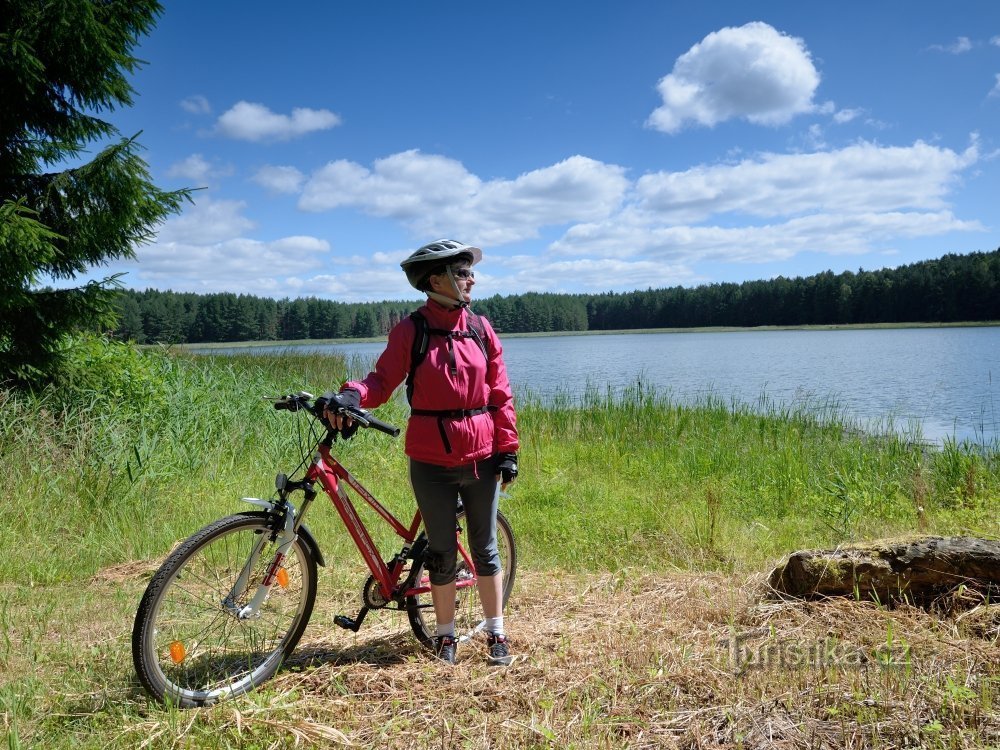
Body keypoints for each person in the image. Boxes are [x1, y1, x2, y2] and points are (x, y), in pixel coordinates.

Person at [324, 239, 519, 666]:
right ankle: (446, 636)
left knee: (484, 548)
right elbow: (380, 380)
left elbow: (500, 394)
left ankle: (497, 633)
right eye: (463, 272)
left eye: (470, 271)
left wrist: (508, 449)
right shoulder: (411, 330)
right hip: (430, 461)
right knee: (442, 552)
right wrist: (352, 395)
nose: (472, 279)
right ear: (437, 279)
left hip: (482, 456)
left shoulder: (482, 330)